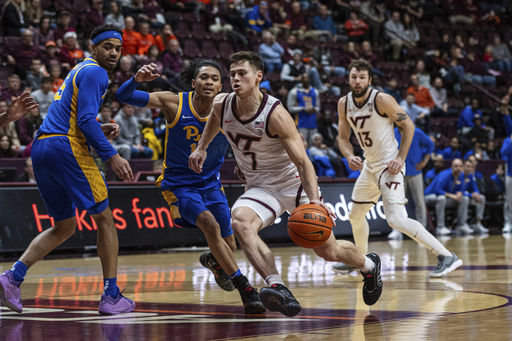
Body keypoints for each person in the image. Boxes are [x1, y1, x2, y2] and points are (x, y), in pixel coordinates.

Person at [189, 51, 383, 317]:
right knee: (241, 222)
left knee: (329, 251)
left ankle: (369, 266)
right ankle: (277, 286)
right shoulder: (222, 103)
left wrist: (315, 201)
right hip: (259, 187)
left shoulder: (275, 113)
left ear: (258, 77)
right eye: (232, 73)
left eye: (242, 73)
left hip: (294, 184)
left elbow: (304, 162)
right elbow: (214, 119)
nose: (235, 78)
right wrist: (202, 148)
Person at [0, 24, 135, 316]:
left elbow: (78, 120)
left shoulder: (78, 70)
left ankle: (12, 277)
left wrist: (99, 128)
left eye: (118, 48)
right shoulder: (97, 72)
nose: (113, 53)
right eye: (108, 47)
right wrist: (111, 156)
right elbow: (84, 122)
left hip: (42, 148)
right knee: (105, 220)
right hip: (65, 147)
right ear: (93, 47)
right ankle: (111, 295)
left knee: (65, 226)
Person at [115, 59, 265, 315]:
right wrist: (137, 79)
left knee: (229, 246)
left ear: (221, 85)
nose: (209, 82)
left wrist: (241, 161)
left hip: (211, 184)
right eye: (204, 77)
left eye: (215, 78)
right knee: (210, 224)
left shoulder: (230, 106)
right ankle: (246, 290)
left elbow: (243, 138)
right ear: (194, 83)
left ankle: (213, 261)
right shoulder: (173, 101)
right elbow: (123, 95)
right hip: (179, 184)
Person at [332, 59, 462, 278]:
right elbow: (343, 138)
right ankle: (360, 260)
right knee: (355, 215)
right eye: (354, 76)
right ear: (348, 79)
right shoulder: (343, 103)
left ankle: (446, 255)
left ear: (369, 80)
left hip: (390, 166)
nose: (357, 81)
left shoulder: (381, 99)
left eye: (362, 77)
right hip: (370, 166)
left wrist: (401, 158)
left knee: (395, 219)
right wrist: (349, 155)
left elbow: (408, 125)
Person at [389, 126, 434, 239]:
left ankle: (422, 229)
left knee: (419, 201)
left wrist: (425, 161)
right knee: (397, 202)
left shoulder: (416, 132)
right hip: (398, 173)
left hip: (415, 172)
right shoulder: (391, 133)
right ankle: (397, 230)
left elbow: (430, 144)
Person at [425, 159, 472, 235]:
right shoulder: (445, 175)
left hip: (446, 198)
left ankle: (461, 225)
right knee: (441, 198)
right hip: (430, 196)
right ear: (452, 167)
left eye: (460, 166)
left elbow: (461, 189)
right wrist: (452, 196)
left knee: (464, 199)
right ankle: (440, 227)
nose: (458, 168)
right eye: (456, 166)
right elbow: (437, 190)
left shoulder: (461, 175)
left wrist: (460, 193)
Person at [501, 134, 512, 233]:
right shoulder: (508, 140)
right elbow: (503, 153)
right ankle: (508, 222)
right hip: (510, 174)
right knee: (509, 200)